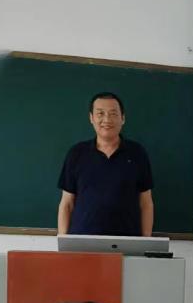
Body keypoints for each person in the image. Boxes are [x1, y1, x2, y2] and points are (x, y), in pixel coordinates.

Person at [57, 92, 155, 237]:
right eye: (100, 113)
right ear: (91, 118)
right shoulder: (76, 153)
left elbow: (146, 203)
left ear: (123, 118)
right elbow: (67, 203)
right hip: (83, 241)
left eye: (113, 114)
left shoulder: (137, 153)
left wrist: (146, 240)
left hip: (127, 241)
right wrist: (63, 239)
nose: (107, 119)